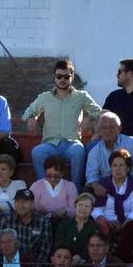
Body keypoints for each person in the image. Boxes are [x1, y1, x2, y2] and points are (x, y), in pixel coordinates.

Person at [23, 58, 100, 187]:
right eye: (59, 76)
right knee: (37, 152)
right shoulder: (45, 97)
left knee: (79, 152)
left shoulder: (81, 96)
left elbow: (98, 111)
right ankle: (45, 189)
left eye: (66, 76)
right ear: (54, 78)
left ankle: (76, 190)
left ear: (72, 77)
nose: (62, 80)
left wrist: (89, 118)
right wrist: (32, 118)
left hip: (72, 143)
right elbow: (28, 111)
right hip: (50, 144)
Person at [85, 112, 133, 192]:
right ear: (99, 130)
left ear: (119, 128)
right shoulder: (94, 152)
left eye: (111, 127)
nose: (108, 131)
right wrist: (96, 186)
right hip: (107, 191)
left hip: (131, 189)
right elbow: (91, 175)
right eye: (104, 128)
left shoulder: (132, 142)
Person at [92, 149, 133, 228]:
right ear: (111, 168)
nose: (118, 168)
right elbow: (97, 210)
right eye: (114, 165)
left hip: (128, 223)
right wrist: (106, 222)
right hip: (106, 223)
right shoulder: (102, 186)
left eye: (121, 165)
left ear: (128, 169)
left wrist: (124, 226)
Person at [0, 189, 52, 265]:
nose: (21, 205)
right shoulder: (6, 220)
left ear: (32, 204)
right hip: (9, 264)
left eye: (24, 202)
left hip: (35, 265)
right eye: (18, 202)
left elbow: (45, 249)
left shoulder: (44, 222)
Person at [31, 155, 76, 220]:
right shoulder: (36, 186)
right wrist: (37, 209)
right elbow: (30, 206)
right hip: (41, 221)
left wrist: (66, 211)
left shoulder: (70, 187)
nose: (52, 179)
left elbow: (74, 210)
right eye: (49, 176)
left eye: (56, 176)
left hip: (64, 222)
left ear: (62, 173)